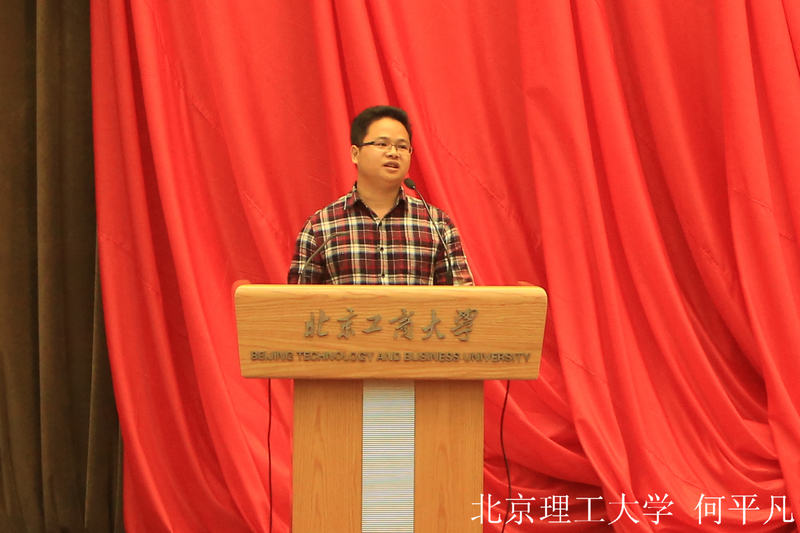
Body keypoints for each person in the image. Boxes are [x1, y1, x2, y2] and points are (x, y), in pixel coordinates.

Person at [287, 105, 473, 285]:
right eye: (382, 144)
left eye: (402, 147)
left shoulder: (437, 225)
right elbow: (299, 301)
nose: (393, 153)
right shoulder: (321, 227)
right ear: (355, 154)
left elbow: (462, 299)